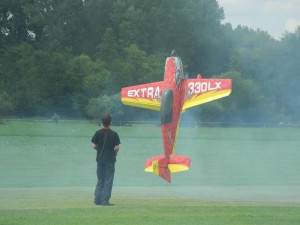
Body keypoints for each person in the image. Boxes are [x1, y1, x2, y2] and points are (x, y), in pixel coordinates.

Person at [91, 114, 120, 206]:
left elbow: (94, 146)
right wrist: (115, 152)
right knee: (108, 180)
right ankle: (105, 201)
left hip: (100, 160)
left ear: (102, 122)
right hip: (110, 160)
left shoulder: (98, 133)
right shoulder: (114, 134)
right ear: (110, 122)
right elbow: (116, 148)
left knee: (100, 179)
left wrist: (100, 150)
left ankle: (97, 199)